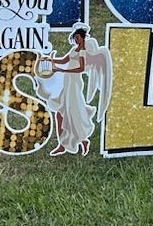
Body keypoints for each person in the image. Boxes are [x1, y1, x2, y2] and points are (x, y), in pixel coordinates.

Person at [37, 24, 112, 156]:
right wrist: (49, 59)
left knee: (73, 112)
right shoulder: (74, 49)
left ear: (83, 38)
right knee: (60, 112)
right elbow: (63, 60)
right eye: (75, 38)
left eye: (78, 37)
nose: (76, 40)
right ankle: (62, 144)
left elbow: (81, 68)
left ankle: (83, 140)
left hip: (74, 83)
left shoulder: (83, 51)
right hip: (66, 82)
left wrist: (62, 70)